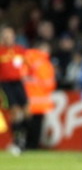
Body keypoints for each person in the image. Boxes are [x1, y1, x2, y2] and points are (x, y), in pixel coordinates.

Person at [0, 26, 29, 155]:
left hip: (18, 83)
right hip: (5, 84)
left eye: (10, 35)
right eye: (6, 36)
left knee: (26, 112)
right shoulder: (0, 51)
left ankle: (21, 140)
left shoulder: (20, 50)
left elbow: (28, 65)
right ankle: (16, 142)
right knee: (15, 111)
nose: (8, 38)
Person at [23, 40, 57, 149]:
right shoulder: (43, 63)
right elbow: (48, 84)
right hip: (40, 99)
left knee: (28, 124)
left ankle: (26, 144)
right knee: (36, 125)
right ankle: (33, 145)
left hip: (28, 98)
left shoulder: (27, 60)